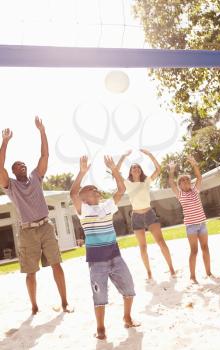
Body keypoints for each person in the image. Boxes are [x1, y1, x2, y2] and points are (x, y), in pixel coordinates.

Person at [0, 117, 72, 314]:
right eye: (18, 166)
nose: (22, 166)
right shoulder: (11, 186)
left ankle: (65, 303)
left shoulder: (35, 177)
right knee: (30, 273)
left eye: (23, 164)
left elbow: (45, 155)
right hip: (28, 232)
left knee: (57, 265)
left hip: (46, 227)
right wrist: (5, 142)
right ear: (13, 172)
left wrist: (42, 131)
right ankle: (34, 306)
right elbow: (0, 168)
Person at [70, 155, 139, 340]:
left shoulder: (108, 205)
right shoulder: (83, 210)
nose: (96, 191)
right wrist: (82, 172)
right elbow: (72, 193)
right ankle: (100, 328)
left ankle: (127, 316)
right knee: (99, 296)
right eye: (92, 190)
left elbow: (122, 188)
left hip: (116, 257)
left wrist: (114, 169)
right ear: (84, 197)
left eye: (97, 190)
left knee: (129, 288)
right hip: (96, 263)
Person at [117, 149, 175, 280]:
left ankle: (171, 268)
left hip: (149, 213)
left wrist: (149, 155)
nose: (136, 169)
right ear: (130, 172)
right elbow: (116, 171)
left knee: (161, 242)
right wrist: (123, 156)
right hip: (136, 217)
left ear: (141, 170)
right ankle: (149, 272)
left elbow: (158, 169)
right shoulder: (127, 183)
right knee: (143, 247)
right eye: (133, 168)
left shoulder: (147, 181)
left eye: (138, 167)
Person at [168, 155, 213, 284]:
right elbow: (171, 183)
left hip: (202, 224)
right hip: (191, 227)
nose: (186, 183)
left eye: (188, 181)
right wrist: (171, 171)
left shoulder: (195, 190)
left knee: (205, 247)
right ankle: (192, 276)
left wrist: (194, 164)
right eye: (183, 181)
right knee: (194, 251)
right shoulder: (180, 194)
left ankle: (208, 272)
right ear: (180, 185)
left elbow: (199, 177)